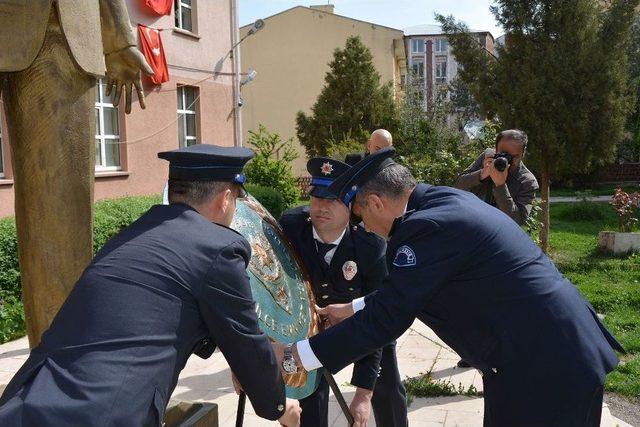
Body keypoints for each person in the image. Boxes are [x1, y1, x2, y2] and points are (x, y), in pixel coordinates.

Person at [274, 148, 624, 427]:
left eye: (362, 216)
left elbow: (389, 318)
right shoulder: (441, 203)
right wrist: (351, 308)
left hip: (544, 367)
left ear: (377, 203)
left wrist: (293, 357)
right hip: (540, 354)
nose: (364, 227)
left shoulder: (424, 230)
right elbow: (415, 288)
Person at [0, 144, 301, 427]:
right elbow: (244, 338)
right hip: (102, 413)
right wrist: (277, 405)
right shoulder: (217, 247)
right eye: (236, 199)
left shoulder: (133, 234)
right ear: (224, 199)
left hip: (26, 402)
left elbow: (154, 315)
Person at [279, 157, 408, 427]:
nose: (322, 207)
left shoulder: (371, 248)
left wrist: (362, 393)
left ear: (351, 207)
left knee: (386, 385)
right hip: (310, 327)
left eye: (333, 200)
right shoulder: (291, 228)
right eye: (317, 198)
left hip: (361, 325)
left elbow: (378, 317)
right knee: (306, 390)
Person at [455, 129, 539, 226]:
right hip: (470, 224)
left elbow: (517, 222)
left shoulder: (527, 181)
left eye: (514, 157)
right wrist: (482, 174)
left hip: (496, 234)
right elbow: (457, 186)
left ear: (523, 153)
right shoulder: (487, 157)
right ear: (495, 149)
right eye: (504, 154)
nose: (508, 161)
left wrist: (501, 186)